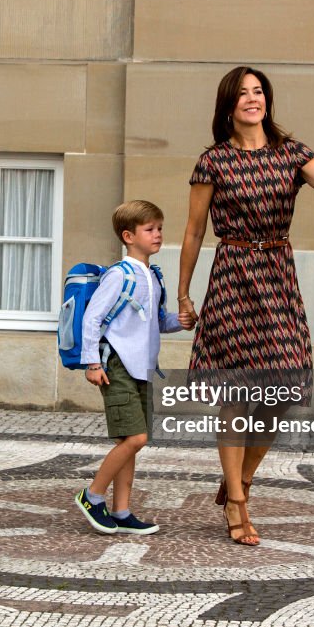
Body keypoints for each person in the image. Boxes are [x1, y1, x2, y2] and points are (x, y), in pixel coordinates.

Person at [176, 65, 314, 545]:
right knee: (236, 397)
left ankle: (241, 480)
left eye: (259, 91)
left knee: (283, 388)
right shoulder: (213, 162)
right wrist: (185, 292)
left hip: (277, 277)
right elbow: (193, 231)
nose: (253, 99)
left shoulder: (292, 154)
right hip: (231, 278)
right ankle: (236, 503)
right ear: (228, 105)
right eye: (243, 93)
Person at [74, 200, 188, 535]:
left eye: (160, 228)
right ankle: (92, 496)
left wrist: (181, 322)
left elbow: (156, 323)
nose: (158, 234)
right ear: (128, 236)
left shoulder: (153, 276)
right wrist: (92, 363)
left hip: (143, 368)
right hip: (117, 365)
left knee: (132, 440)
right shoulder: (119, 275)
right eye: (150, 229)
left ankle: (122, 511)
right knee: (135, 438)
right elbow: (92, 318)